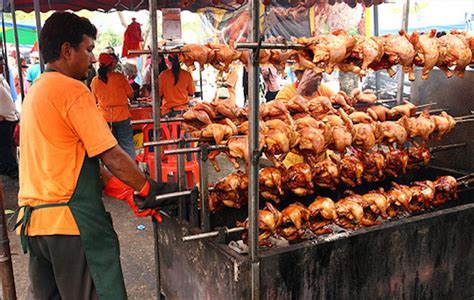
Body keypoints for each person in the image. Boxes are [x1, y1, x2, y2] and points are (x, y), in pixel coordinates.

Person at [17, 12, 176, 300]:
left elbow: (75, 163)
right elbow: (111, 155)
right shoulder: (72, 90)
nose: (93, 58)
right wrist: (147, 187)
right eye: (89, 49)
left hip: (37, 230)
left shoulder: (37, 90)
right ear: (67, 51)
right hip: (70, 227)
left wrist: (127, 191)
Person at [91, 53, 136, 159]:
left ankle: (112, 174)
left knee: (110, 148)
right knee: (127, 144)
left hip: (105, 118)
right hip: (122, 116)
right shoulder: (119, 77)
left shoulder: (95, 81)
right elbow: (131, 94)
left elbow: (94, 101)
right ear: (111, 65)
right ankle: (131, 170)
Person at [0, 56, 19, 178]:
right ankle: (10, 169)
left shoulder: (2, 78)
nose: (2, 67)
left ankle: (11, 167)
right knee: (5, 147)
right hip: (4, 120)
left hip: (9, 118)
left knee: (9, 146)